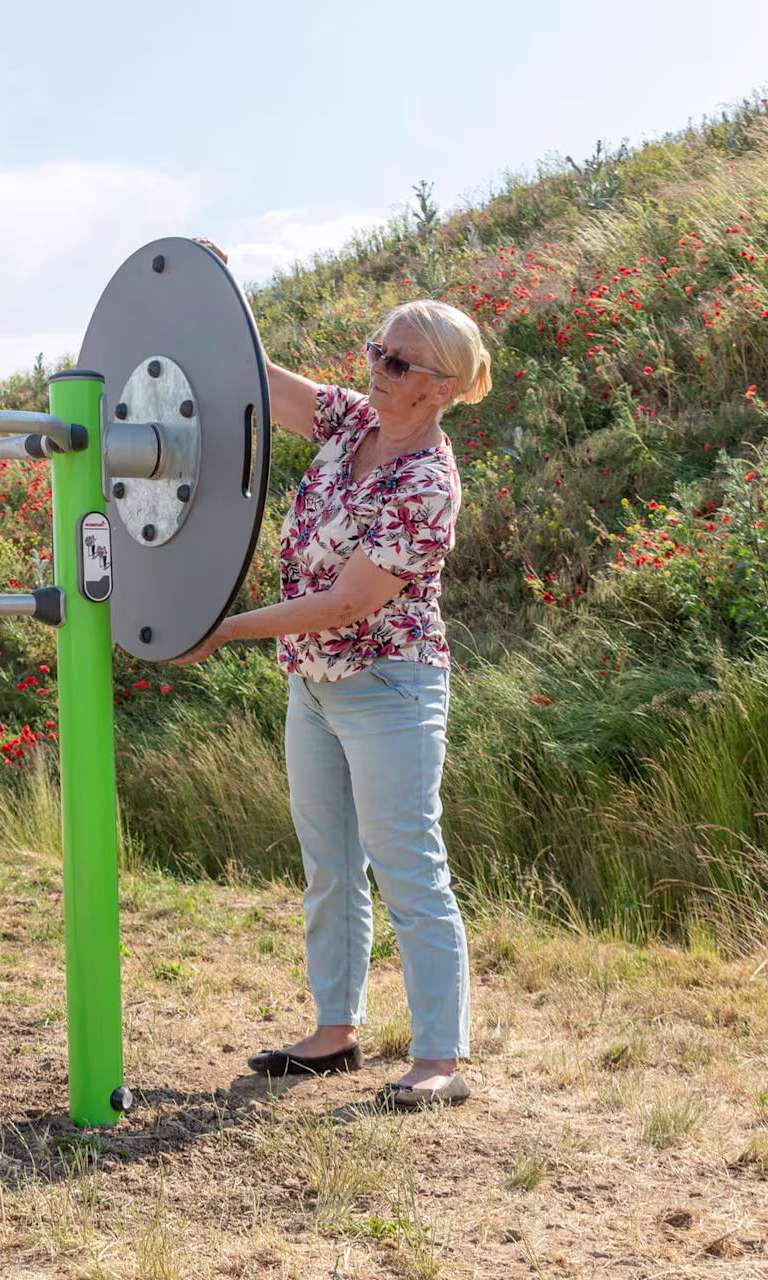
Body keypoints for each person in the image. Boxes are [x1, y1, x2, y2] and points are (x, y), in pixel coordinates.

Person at [177, 251, 490, 1109]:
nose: (374, 370)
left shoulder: (428, 482)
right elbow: (261, 378)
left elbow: (349, 602)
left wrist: (225, 631)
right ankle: (333, 1031)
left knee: (407, 866)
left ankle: (438, 1058)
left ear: (440, 387)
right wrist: (219, 291)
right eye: (374, 352)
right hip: (314, 684)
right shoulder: (355, 423)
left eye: (395, 362)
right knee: (329, 862)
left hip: (387, 684)